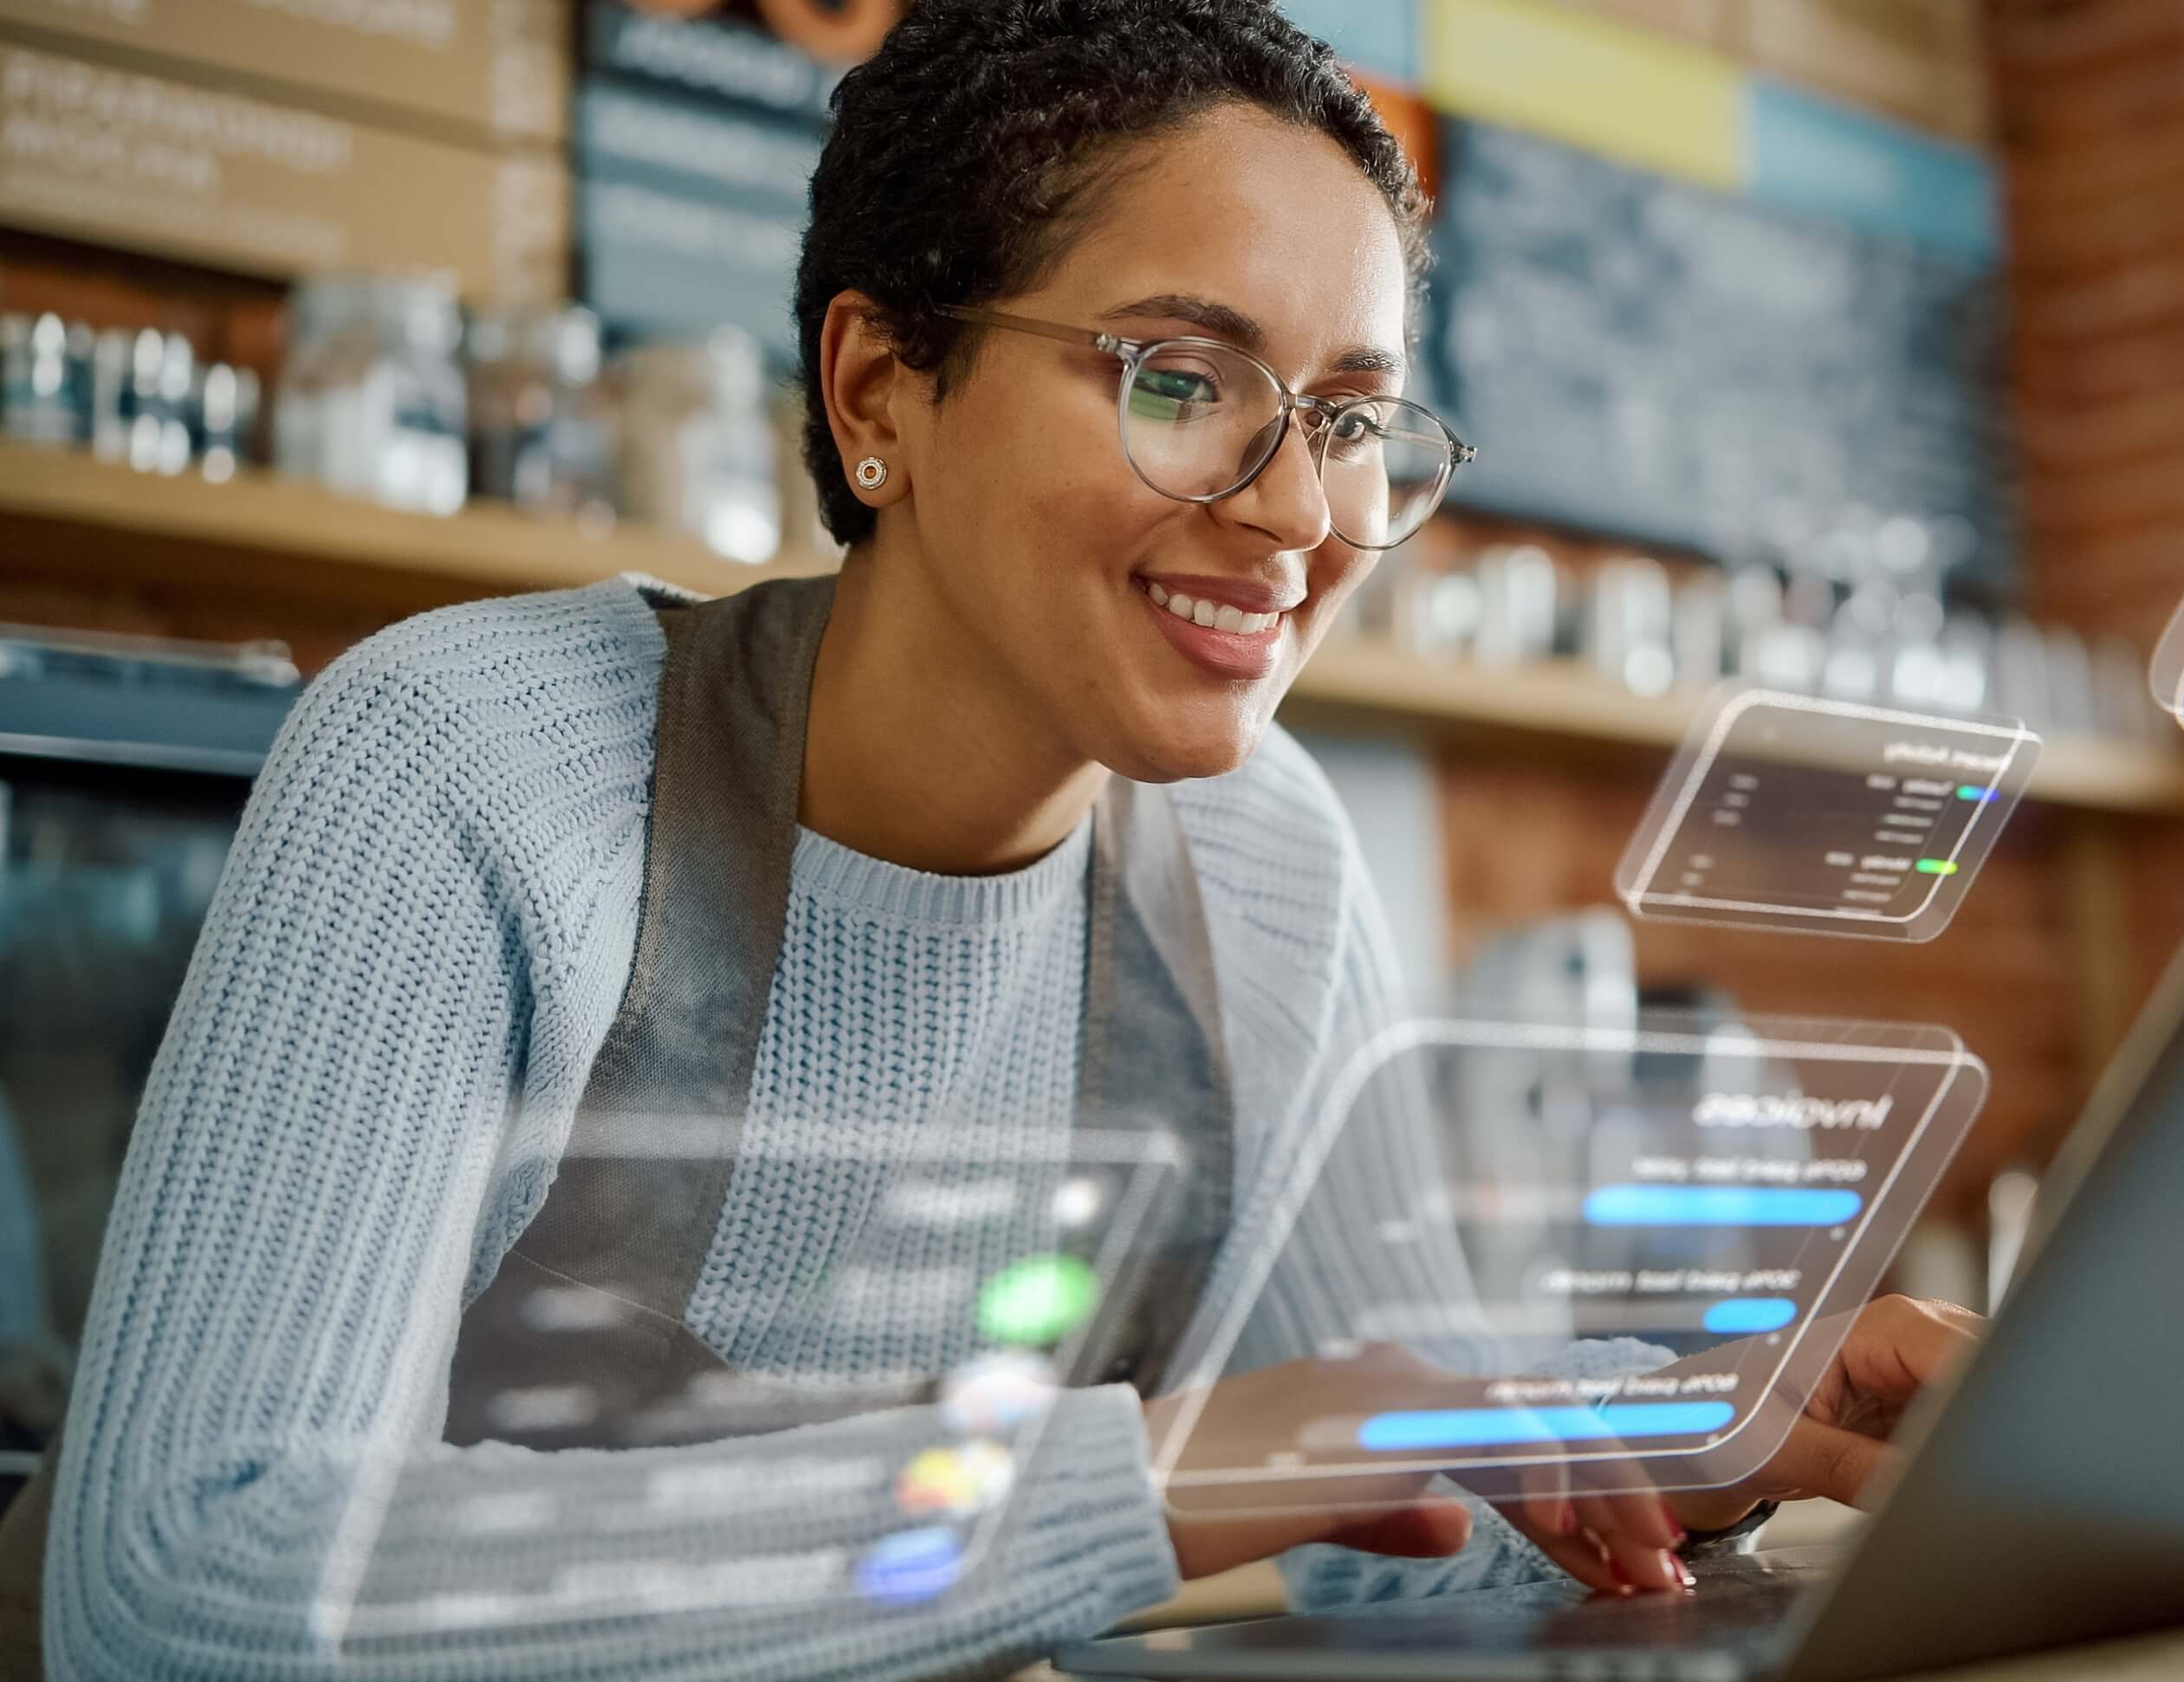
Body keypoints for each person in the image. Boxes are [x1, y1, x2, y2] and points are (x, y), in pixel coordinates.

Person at [16, 3, 1981, 1678]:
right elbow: (180, 1577)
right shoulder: (474, 761)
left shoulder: (1266, 866)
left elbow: (1361, 1516)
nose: (1298, 510)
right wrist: (1151, 1471)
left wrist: (1694, 1433)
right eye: (1179, 379)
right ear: (883, 390)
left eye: (1357, 418)